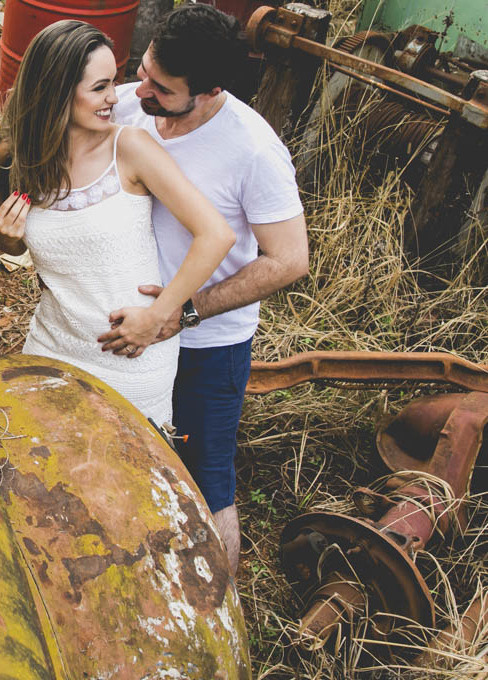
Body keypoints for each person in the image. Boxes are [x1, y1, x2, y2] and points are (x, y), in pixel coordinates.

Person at [101, 4, 309, 575]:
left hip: (206, 346)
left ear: (211, 90)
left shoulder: (254, 150)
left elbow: (289, 260)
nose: (141, 90)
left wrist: (184, 313)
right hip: (125, 332)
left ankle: (222, 611)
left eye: (162, 89)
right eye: (144, 70)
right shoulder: (130, 103)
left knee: (207, 482)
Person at [0, 20, 235, 427]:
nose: (114, 98)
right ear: (57, 90)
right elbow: (24, 247)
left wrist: (158, 315)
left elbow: (216, 235)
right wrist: (7, 241)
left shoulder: (130, 148)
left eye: (114, 83)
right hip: (51, 344)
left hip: (130, 355)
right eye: (100, 87)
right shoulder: (20, 156)